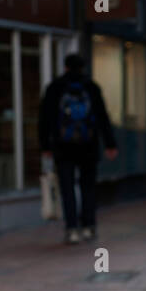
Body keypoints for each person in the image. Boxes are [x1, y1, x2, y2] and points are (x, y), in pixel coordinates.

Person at [38, 53, 118, 244]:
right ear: (83, 67)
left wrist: (45, 145)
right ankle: (89, 226)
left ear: (65, 67)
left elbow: (45, 118)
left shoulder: (55, 88)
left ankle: (72, 228)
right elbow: (102, 116)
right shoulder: (91, 87)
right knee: (88, 186)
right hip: (88, 146)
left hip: (63, 147)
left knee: (67, 187)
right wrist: (110, 144)